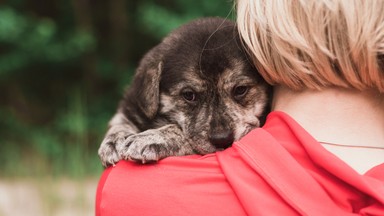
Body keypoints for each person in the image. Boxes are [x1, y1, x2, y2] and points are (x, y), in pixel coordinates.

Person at [96, 0, 384, 215]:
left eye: (240, 91)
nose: (220, 130)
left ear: (264, 60)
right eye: (191, 97)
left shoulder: (134, 189)